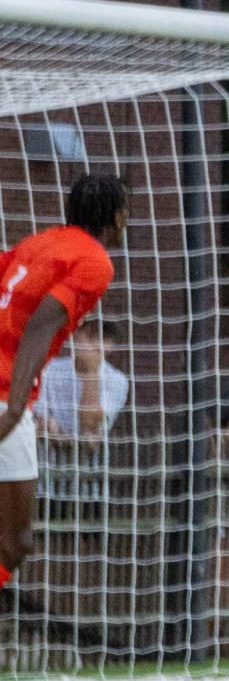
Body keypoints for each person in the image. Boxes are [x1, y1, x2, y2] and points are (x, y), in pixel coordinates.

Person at [0, 175, 126, 597]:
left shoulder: (38, 243)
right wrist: (17, 408)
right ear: (115, 217)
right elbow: (42, 324)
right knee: (14, 543)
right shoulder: (95, 261)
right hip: (5, 393)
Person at [36, 323, 130, 440]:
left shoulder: (117, 380)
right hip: (47, 451)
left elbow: (90, 425)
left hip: (88, 456)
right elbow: (37, 418)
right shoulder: (50, 369)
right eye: (90, 336)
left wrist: (91, 372)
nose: (96, 345)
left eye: (103, 339)